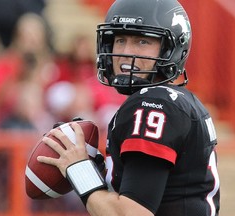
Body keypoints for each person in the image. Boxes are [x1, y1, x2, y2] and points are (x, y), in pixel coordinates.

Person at [37, 0, 220, 215]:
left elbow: (132, 213)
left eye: (142, 41)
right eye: (120, 40)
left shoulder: (153, 105)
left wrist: (79, 171)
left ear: (170, 48)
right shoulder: (178, 100)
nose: (126, 51)